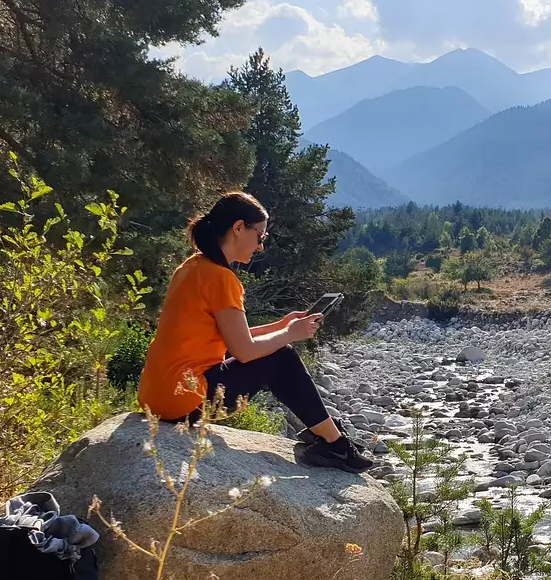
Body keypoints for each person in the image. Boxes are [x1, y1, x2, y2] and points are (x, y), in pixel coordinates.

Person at [136, 191, 374, 473]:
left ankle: (325, 434)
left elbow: (228, 337)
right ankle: (335, 445)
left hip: (157, 395)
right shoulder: (222, 278)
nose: (261, 247)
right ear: (238, 228)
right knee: (281, 357)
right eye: (260, 236)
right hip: (185, 399)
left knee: (277, 351)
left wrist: (281, 325)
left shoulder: (191, 267)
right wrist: (289, 334)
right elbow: (245, 351)